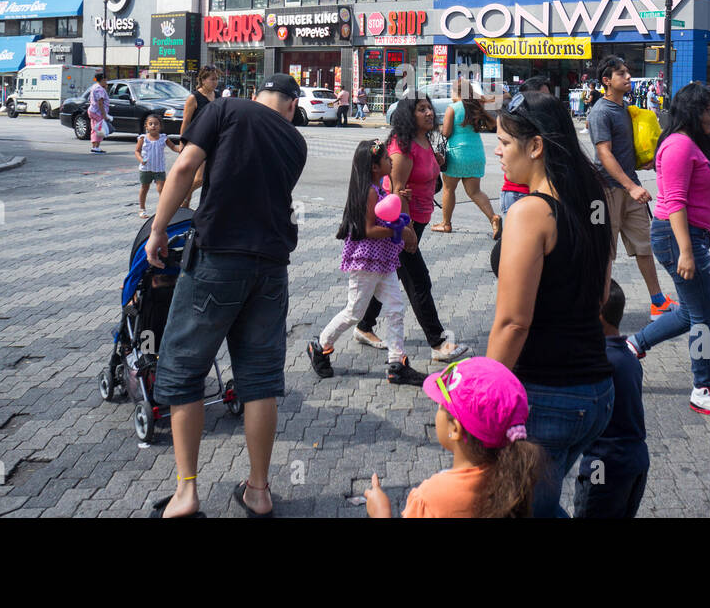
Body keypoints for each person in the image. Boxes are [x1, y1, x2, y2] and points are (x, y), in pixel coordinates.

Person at [145, 73, 307, 519]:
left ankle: (186, 493)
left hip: (218, 258)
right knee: (259, 381)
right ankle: (258, 491)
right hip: (271, 267)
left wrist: (158, 229)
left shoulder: (225, 109)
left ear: (257, 97)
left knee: (184, 368)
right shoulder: (296, 143)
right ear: (291, 106)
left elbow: (183, 168)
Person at [488, 91, 615, 517]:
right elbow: (600, 297)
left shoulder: (529, 213)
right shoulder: (591, 201)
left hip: (546, 397)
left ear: (536, 146)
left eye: (505, 143)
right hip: (597, 394)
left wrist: (481, 397)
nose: (498, 151)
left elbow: (512, 324)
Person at [624, 82, 710, 421]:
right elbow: (675, 202)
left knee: (694, 311)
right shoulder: (678, 146)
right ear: (692, 111)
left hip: (692, 236)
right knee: (705, 316)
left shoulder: (694, 142)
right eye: (707, 109)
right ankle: (704, 389)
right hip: (678, 236)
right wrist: (687, 253)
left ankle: (633, 346)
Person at [354, 96, 470, 362]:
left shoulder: (423, 139)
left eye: (430, 108)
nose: (430, 112)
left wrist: (436, 162)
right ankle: (438, 342)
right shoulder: (401, 148)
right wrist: (405, 232)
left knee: (388, 273)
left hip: (419, 219)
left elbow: (424, 177)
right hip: (402, 223)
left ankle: (363, 325)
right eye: (422, 109)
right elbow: (396, 193)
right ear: (409, 115)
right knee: (418, 280)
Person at [307, 139, 425, 386]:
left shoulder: (378, 188)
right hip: (367, 260)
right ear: (374, 166)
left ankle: (396, 364)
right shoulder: (370, 191)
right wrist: (398, 231)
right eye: (385, 159)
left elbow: (386, 214)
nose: (391, 160)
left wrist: (397, 206)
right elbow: (369, 229)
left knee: (395, 309)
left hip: (383, 260)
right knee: (354, 312)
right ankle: (320, 346)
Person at [364, 357, 543, 518]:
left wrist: (381, 512)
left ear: (455, 429)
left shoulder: (431, 497)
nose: (438, 409)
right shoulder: (515, 478)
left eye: (441, 405)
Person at [587, 55, 672, 319]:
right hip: (603, 192)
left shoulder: (625, 108)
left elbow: (623, 151)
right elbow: (604, 154)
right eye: (621, 74)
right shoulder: (600, 112)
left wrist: (641, 164)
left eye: (627, 73)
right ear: (606, 81)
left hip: (629, 186)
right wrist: (630, 186)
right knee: (604, 251)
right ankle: (598, 309)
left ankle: (658, 301)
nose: (627, 77)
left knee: (644, 245)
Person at [574, 281, 650, 518]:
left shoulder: (598, 361)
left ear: (597, 316)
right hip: (635, 462)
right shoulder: (627, 356)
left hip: (603, 466)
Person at [433, 79, 500, 237]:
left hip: (457, 154)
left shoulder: (453, 108)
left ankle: (446, 224)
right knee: (475, 192)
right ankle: (494, 218)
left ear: (456, 92)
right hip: (476, 153)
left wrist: (442, 127)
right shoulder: (476, 106)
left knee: (449, 189)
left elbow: (446, 133)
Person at [499, 76, 551, 221]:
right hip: (518, 193)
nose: (498, 151)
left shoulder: (550, 124)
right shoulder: (519, 124)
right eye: (542, 97)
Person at [179, 66, 220, 209]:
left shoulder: (218, 96)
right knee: (200, 178)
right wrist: (182, 143)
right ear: (202, 80)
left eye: (216, 79)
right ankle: (181, 196)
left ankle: (185, 204)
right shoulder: (194, 98)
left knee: (210, 178)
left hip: (215, 141)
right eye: (212, 79)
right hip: (198, 141)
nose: (215, 82)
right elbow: (186, 121)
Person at [134, 114, 181, 217]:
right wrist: (141, 160)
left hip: (159, 169)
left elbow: (173, 147)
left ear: (160, 126)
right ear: (146, 126)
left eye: (156, 124)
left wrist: (180, 150)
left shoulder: (163, 138)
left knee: (161, 189)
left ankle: (162, 210)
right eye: (150, 124)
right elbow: (137, 151)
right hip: (146, 169)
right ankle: (142, 209)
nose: (153, 126)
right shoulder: (143, 138)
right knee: (144, 188)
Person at [87, 72, 110, 155]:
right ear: (103, 79)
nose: (107, 81)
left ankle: (94, 147)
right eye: (106, 79)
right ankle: (96, 147)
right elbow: (100, 103)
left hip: (92, 110)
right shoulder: (99, 89)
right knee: (99, 129)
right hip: (98, 112)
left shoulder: (95, 87)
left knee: (94, 129)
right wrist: (104, 114)